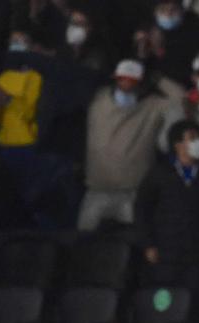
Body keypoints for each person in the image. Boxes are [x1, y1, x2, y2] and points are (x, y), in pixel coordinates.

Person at [79, 57, 184, 229]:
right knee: (83, 246)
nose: (126, 85)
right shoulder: (97, 101)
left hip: (134, 193)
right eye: (122, 80)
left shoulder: (153, 106)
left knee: (136, 244)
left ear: (142, 84)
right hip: (97, 191)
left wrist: (157, 78)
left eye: (132, 81)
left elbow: (181, 99)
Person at [136, 120, 199, 294]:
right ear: (178, 145)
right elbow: (142, 210)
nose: (198, 141)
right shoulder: (158, 174)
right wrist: (148, 244)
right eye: (192, 138)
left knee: (195, 301)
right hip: (165, 255)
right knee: (164, 302)